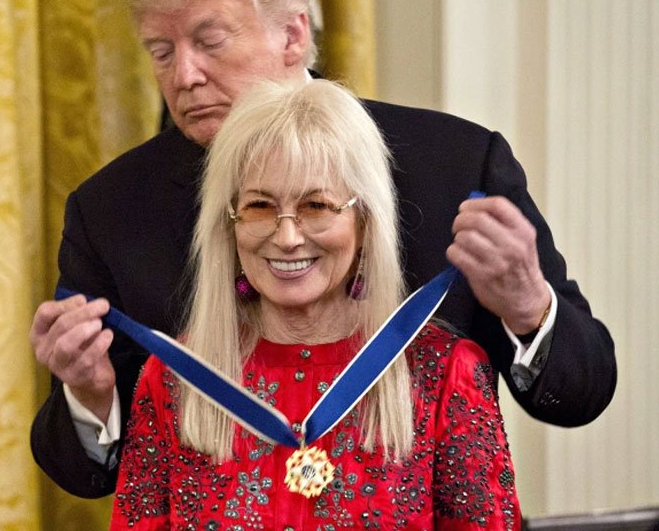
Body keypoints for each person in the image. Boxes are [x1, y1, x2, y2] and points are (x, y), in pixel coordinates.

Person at [29, 0, 616, 499]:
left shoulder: (455, 168)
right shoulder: (111, 209)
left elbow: (583, 391)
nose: (183, 76)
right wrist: (89, 397)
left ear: (293, 33)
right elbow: (86, 475)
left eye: (209, 41)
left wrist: (528, 309)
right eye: (161, 51)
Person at [109, 77, 521, 529]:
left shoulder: (444, 374)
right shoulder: (174, 381)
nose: (287, 237)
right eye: (260, 206)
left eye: (317, 206)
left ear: (364, 222)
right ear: (229, 225)